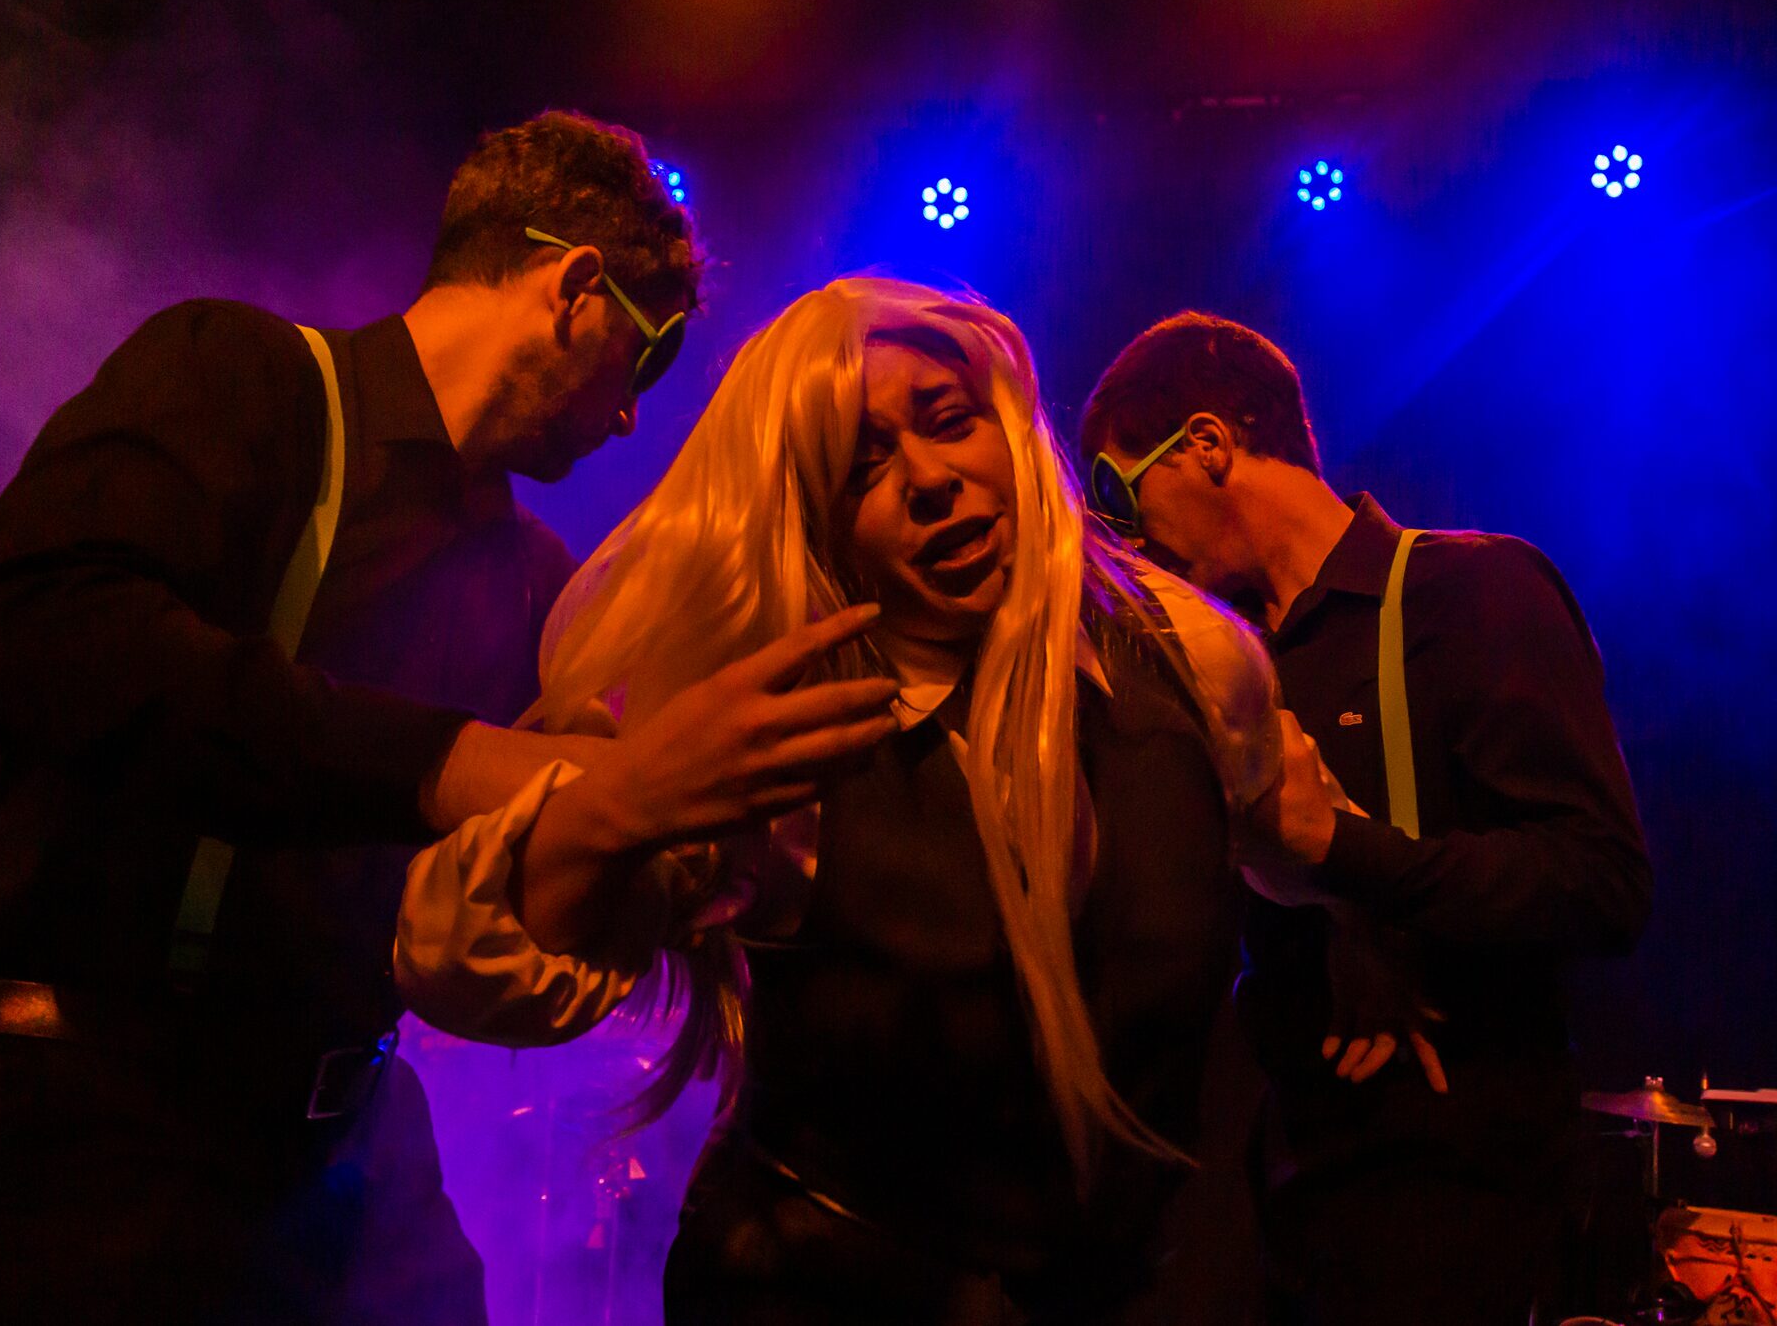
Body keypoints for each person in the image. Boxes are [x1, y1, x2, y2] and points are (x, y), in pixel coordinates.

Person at [0, 111, 888, 1326]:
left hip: (337, 1136)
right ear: (575, 287)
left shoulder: (533, 578)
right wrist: (459, 762)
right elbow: (29, 636)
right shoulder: (239, 373)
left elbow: (545, 853)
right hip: (71, 1106)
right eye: (651, 353)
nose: (632, 415)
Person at [394, 278, 1333, 1324]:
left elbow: (1298, 845)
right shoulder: (782, 740)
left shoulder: (1191, 656)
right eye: (860, 468)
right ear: (815, 521)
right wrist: (622, 803)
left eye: (950, 420)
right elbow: (461, 961)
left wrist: (1364, 956)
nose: (929, 479)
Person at [1078, 311, 1653, 1325]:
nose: (1122, 537)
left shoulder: (1468, 591)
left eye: (1119, 492)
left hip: (1449, 1199)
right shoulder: (1220, 667)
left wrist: (1350, 858)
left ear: (1208, 445)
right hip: (1270, 1202)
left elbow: (1600, 880)